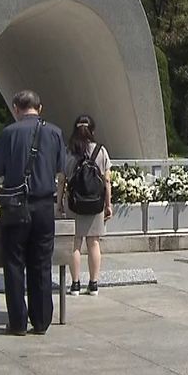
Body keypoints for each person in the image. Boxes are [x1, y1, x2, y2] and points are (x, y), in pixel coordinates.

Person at [0, 90, 66, 336]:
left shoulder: (9, 133)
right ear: (39, 108)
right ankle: (42, 321)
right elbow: (59, 167)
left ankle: (18, 323)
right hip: (44, 205)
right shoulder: (54, 132)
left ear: (15, 108)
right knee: (42, 263)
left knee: (14, 263)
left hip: (15, 206)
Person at [59, 114, 112, 297]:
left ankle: (75, 285)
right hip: (95, 203)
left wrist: (59, 202)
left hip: (74, 203)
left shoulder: (70, 151)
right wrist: (108, 204)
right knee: (93, 243)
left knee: (75, 243)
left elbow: (62, 180)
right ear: (93, 131)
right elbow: (106, 180)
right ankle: (94, 284)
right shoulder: (101, 151)